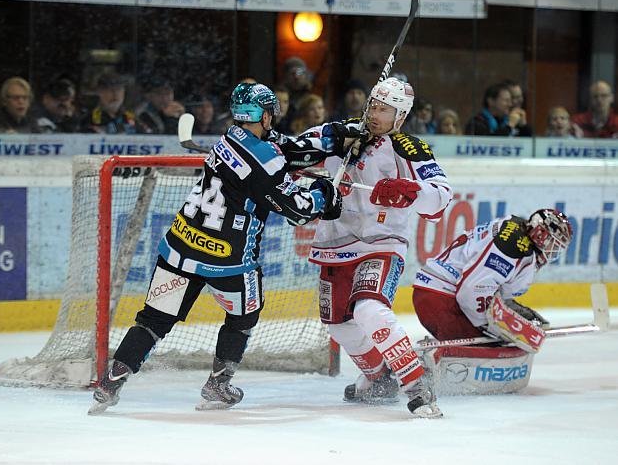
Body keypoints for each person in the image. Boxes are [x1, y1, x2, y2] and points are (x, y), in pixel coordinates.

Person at [88, 82, 363, 414]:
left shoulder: (229, 138)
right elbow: (297, 210)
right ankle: (218, 384)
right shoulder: (264, 158)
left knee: (154, 320)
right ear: (263, 115)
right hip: (227, 259)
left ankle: (111, 382)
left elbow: (290, 149)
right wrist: (325, 194)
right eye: (270, 113)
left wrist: (337, 134)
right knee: (244, 314)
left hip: (180, 247)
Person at [308, 77, 453, 418]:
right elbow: (297, 150)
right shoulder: (341, 135)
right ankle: (378, 378)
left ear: (400, 117)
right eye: (373, 105)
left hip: (380, 244)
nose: (375, 113)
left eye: (385, 109)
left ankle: (417, 384)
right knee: (339, 325)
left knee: (369, 310)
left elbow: (441, 196)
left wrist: (410, 190)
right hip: (335, 243)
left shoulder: (408, 148)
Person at [412, 209, 572, 394]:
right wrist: (491, 327)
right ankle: (423, 370)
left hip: (437, 293)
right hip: (441, 300)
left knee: (494, 338)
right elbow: (471, 292)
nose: (552, 251)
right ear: (540, 235)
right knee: (490, 344)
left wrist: (505, 314)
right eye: (553, 244)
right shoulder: (512, 247)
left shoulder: (515, 228)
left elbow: (487, 285)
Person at [465, 82, 530, 137]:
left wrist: (523, 126)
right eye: (506, 101)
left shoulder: (509, 120)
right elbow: (491, 145)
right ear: (491, 101)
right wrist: (509, 126)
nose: (510, 104)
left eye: (510, 101)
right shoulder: (476, 123)